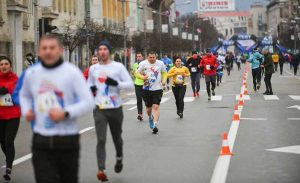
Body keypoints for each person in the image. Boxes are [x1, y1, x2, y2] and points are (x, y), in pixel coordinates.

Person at [19, 34, 94, 183]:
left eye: (52, 48)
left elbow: (88, 102)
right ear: (39, 51)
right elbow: (24, 95)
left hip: (67, 140)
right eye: (44, 48)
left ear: (60, 50)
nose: (48, 51)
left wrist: (66, 113)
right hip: (41, 139)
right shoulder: (32, 73)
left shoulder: (72, 72)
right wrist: (26, 110)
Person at [88, 40, 134, 182]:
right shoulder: (93, 69)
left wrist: (116, 83)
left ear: (109, 51)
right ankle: (101, 170)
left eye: (105, 49)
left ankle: (119, 157)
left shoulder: (118, 67)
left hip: (115, 108)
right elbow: (88, 84)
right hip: (99, 108)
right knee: (101, 139)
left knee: (117, 138)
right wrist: (91, 89)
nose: (102, 52)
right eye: (100, 49)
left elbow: (130, 85)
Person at [0, 57, 21, 182]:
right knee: (2, 142)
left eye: (6, 64)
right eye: (1, 64)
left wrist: (9, 91)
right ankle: (9, 157)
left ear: (10, 66)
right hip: (0, 116)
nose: (3, 66)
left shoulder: (15, 79)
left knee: (8, 141)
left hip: (13, 115)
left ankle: (8, 168)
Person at [135, 51, 167, 134]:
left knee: (156, 107)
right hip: (146, 89)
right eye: (150, 57)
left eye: (154, 57)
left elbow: (164, 72)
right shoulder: (143, 63)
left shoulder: (160, 63)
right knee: (148, 109)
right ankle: (150, 118)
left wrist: (164, 80)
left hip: (157, 89)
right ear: (147, 57)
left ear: (156, 57)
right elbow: (136, 73)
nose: (152, 59)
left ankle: (154, 125)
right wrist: (143, 77)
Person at [132, 52, 144, 121]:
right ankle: (140, 114)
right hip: (137, 84)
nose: (138, 58)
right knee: (139, 99)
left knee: (147, 100)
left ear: (142, 57)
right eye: (137, 56)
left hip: (145, 84)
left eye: (139, 56)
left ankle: (150, 113)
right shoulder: (135, 65)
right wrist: (134, 74)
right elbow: (134, 73)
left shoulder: (145, 64)